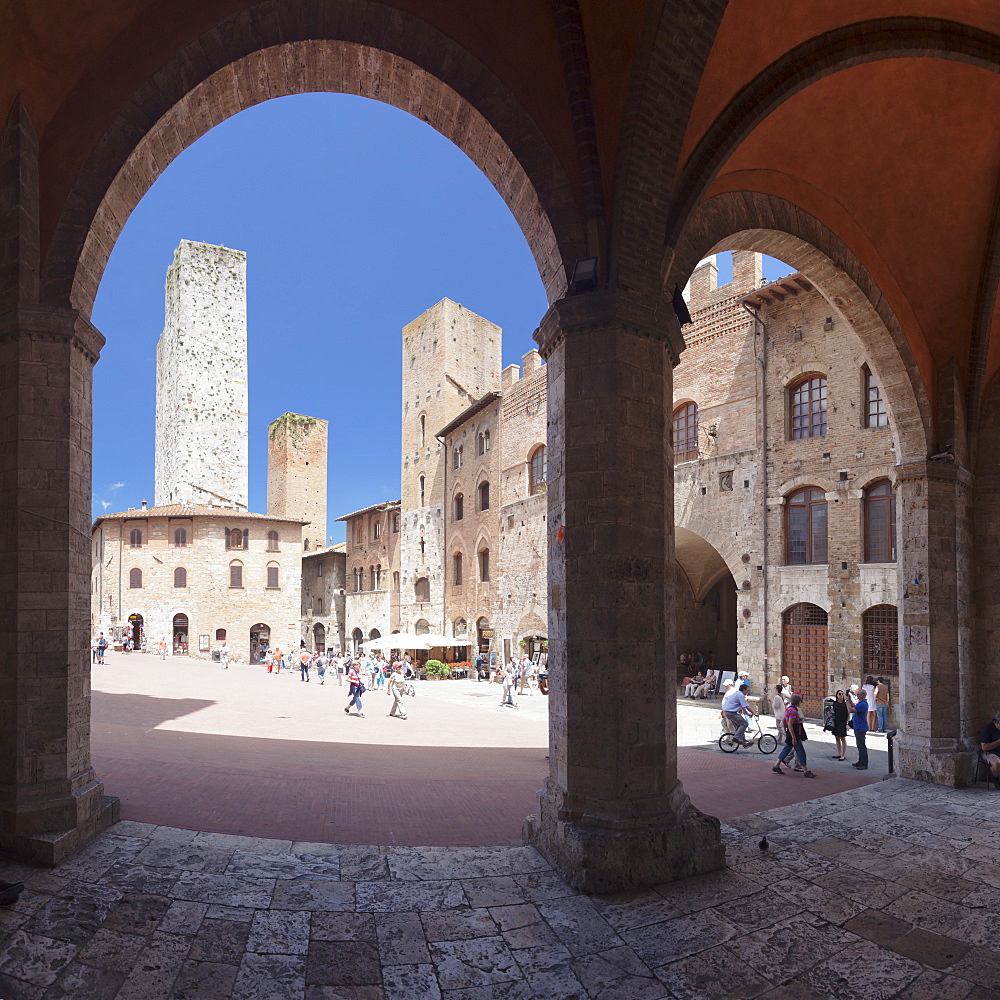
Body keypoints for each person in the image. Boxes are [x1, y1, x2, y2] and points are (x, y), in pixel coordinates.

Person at [772, 693, 817, 777]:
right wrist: (793, 737)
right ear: (798, 701)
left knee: (786, 749)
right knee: (801, 752)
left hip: (790, 732)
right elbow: (790, 724)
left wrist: (786, 732)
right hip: (794, 733)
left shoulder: (788, 709)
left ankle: (776, 765)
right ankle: (805, 771)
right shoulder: (793, 710)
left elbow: (784, 720)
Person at [979, 711, 1000, 790]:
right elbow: (984, 747)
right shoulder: (987, 729)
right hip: (990, 752)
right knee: (997, 763)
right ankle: (995, 778)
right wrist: (998, 742)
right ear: (997, 723)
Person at [851, 686, 869, 769]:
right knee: (859, 745)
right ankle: (860, 761)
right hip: (858, 726)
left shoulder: (862, 704)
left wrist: (847, 701)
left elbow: (851, 710)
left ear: (861, 695)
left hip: (860, 727)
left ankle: (864, 763)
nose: (857, 695)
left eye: (858, 694)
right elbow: (853, 706)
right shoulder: (861, 703)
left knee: (861, 746)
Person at [829, 689, 849, 761]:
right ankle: (839, 753)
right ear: (837, 695)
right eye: (839, 694)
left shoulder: (845, 703)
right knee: (837, 737)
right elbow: (833, 711)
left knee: (842, 738)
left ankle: (843, 755)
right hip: (836, 722)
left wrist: (847, 723)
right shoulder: (835, 703)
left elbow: (848, 714)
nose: (841, 695)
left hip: (842, 722)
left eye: (842, 694)